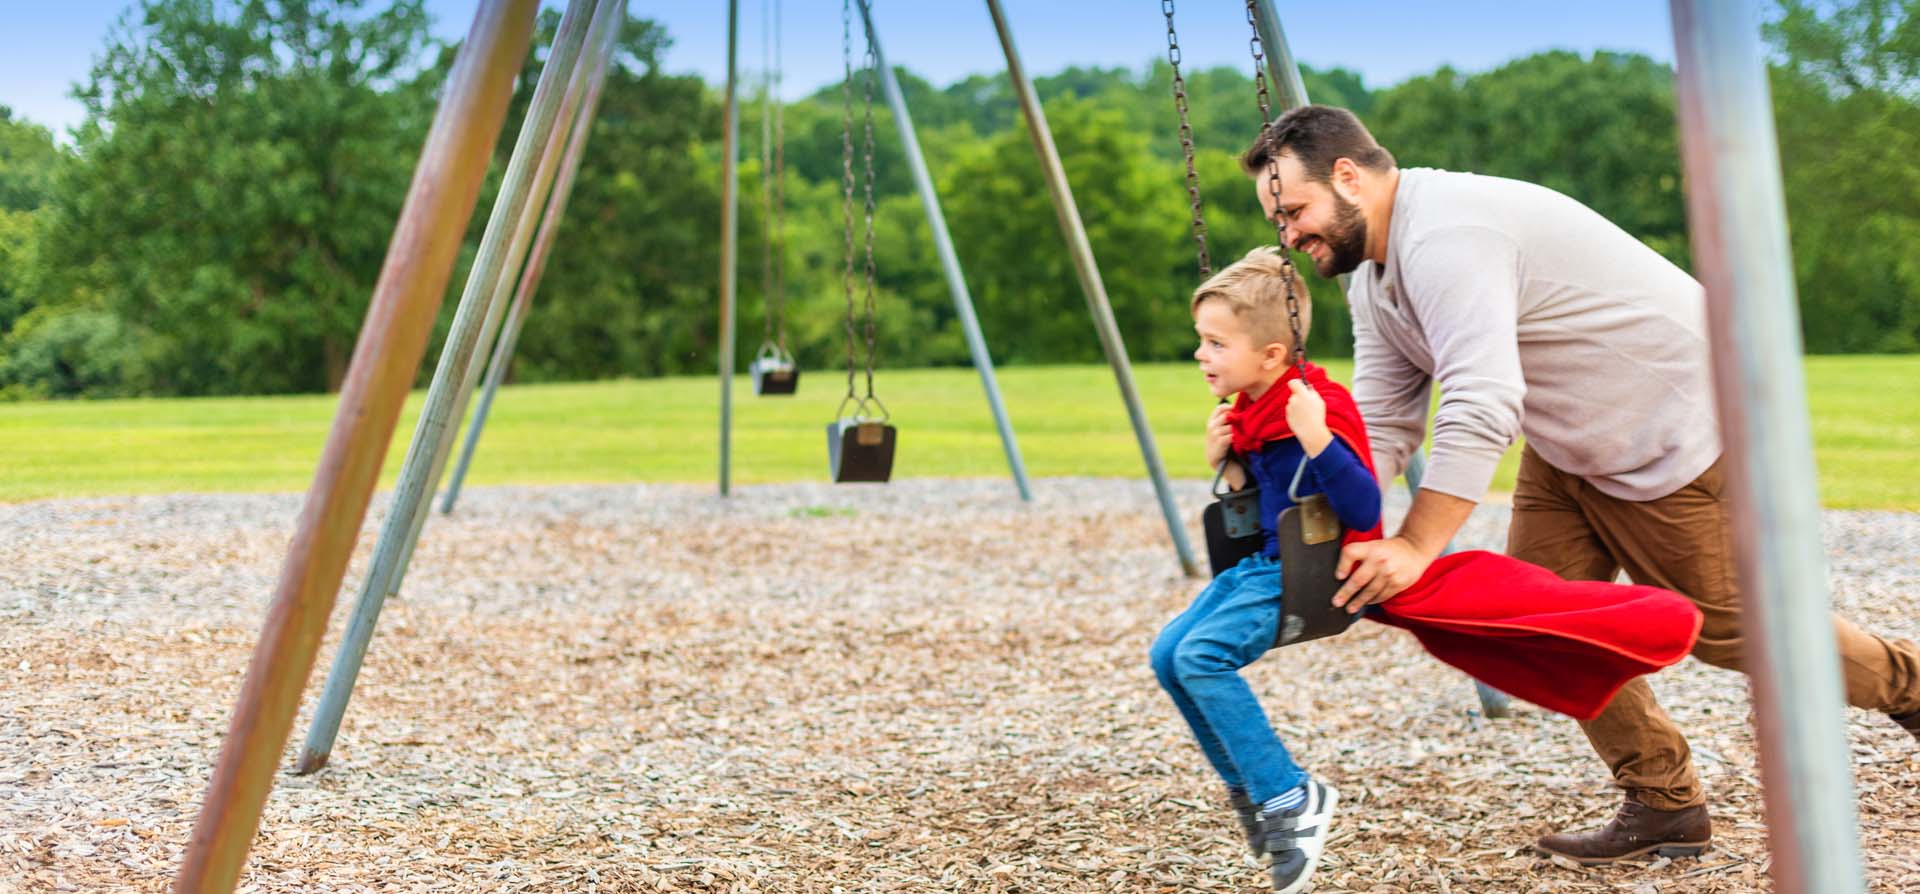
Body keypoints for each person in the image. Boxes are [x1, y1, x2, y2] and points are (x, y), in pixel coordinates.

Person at [1239, 103, 1920, 864]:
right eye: (1279, 221)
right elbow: (1387, 417)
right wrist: (1314, 498)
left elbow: (1480, 397)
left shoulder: (1449, 235)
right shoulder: (1374, 271)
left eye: (1294, 212)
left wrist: (1418, 545)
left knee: (1736, 634)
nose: (1290, 236)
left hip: (1679, 427)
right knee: (1538, 622)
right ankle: (1664, 803)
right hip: (1573, 443)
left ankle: (1913, 685)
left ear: (1347, 176)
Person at [1150, 247, 1382, 894]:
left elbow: (1362, 505)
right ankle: (1255, 792)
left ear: (1272, 356)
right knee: (1169, 653)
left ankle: (1289, 797)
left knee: (1201, 658)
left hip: (1316, 573)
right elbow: (1264, 508)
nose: (1201, 354)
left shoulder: (1314, 408)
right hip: (1267, 565)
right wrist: (1225, 465)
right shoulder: (1252, 411)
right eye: (1202, 340)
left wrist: (1315, 437)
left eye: (1215, 343)